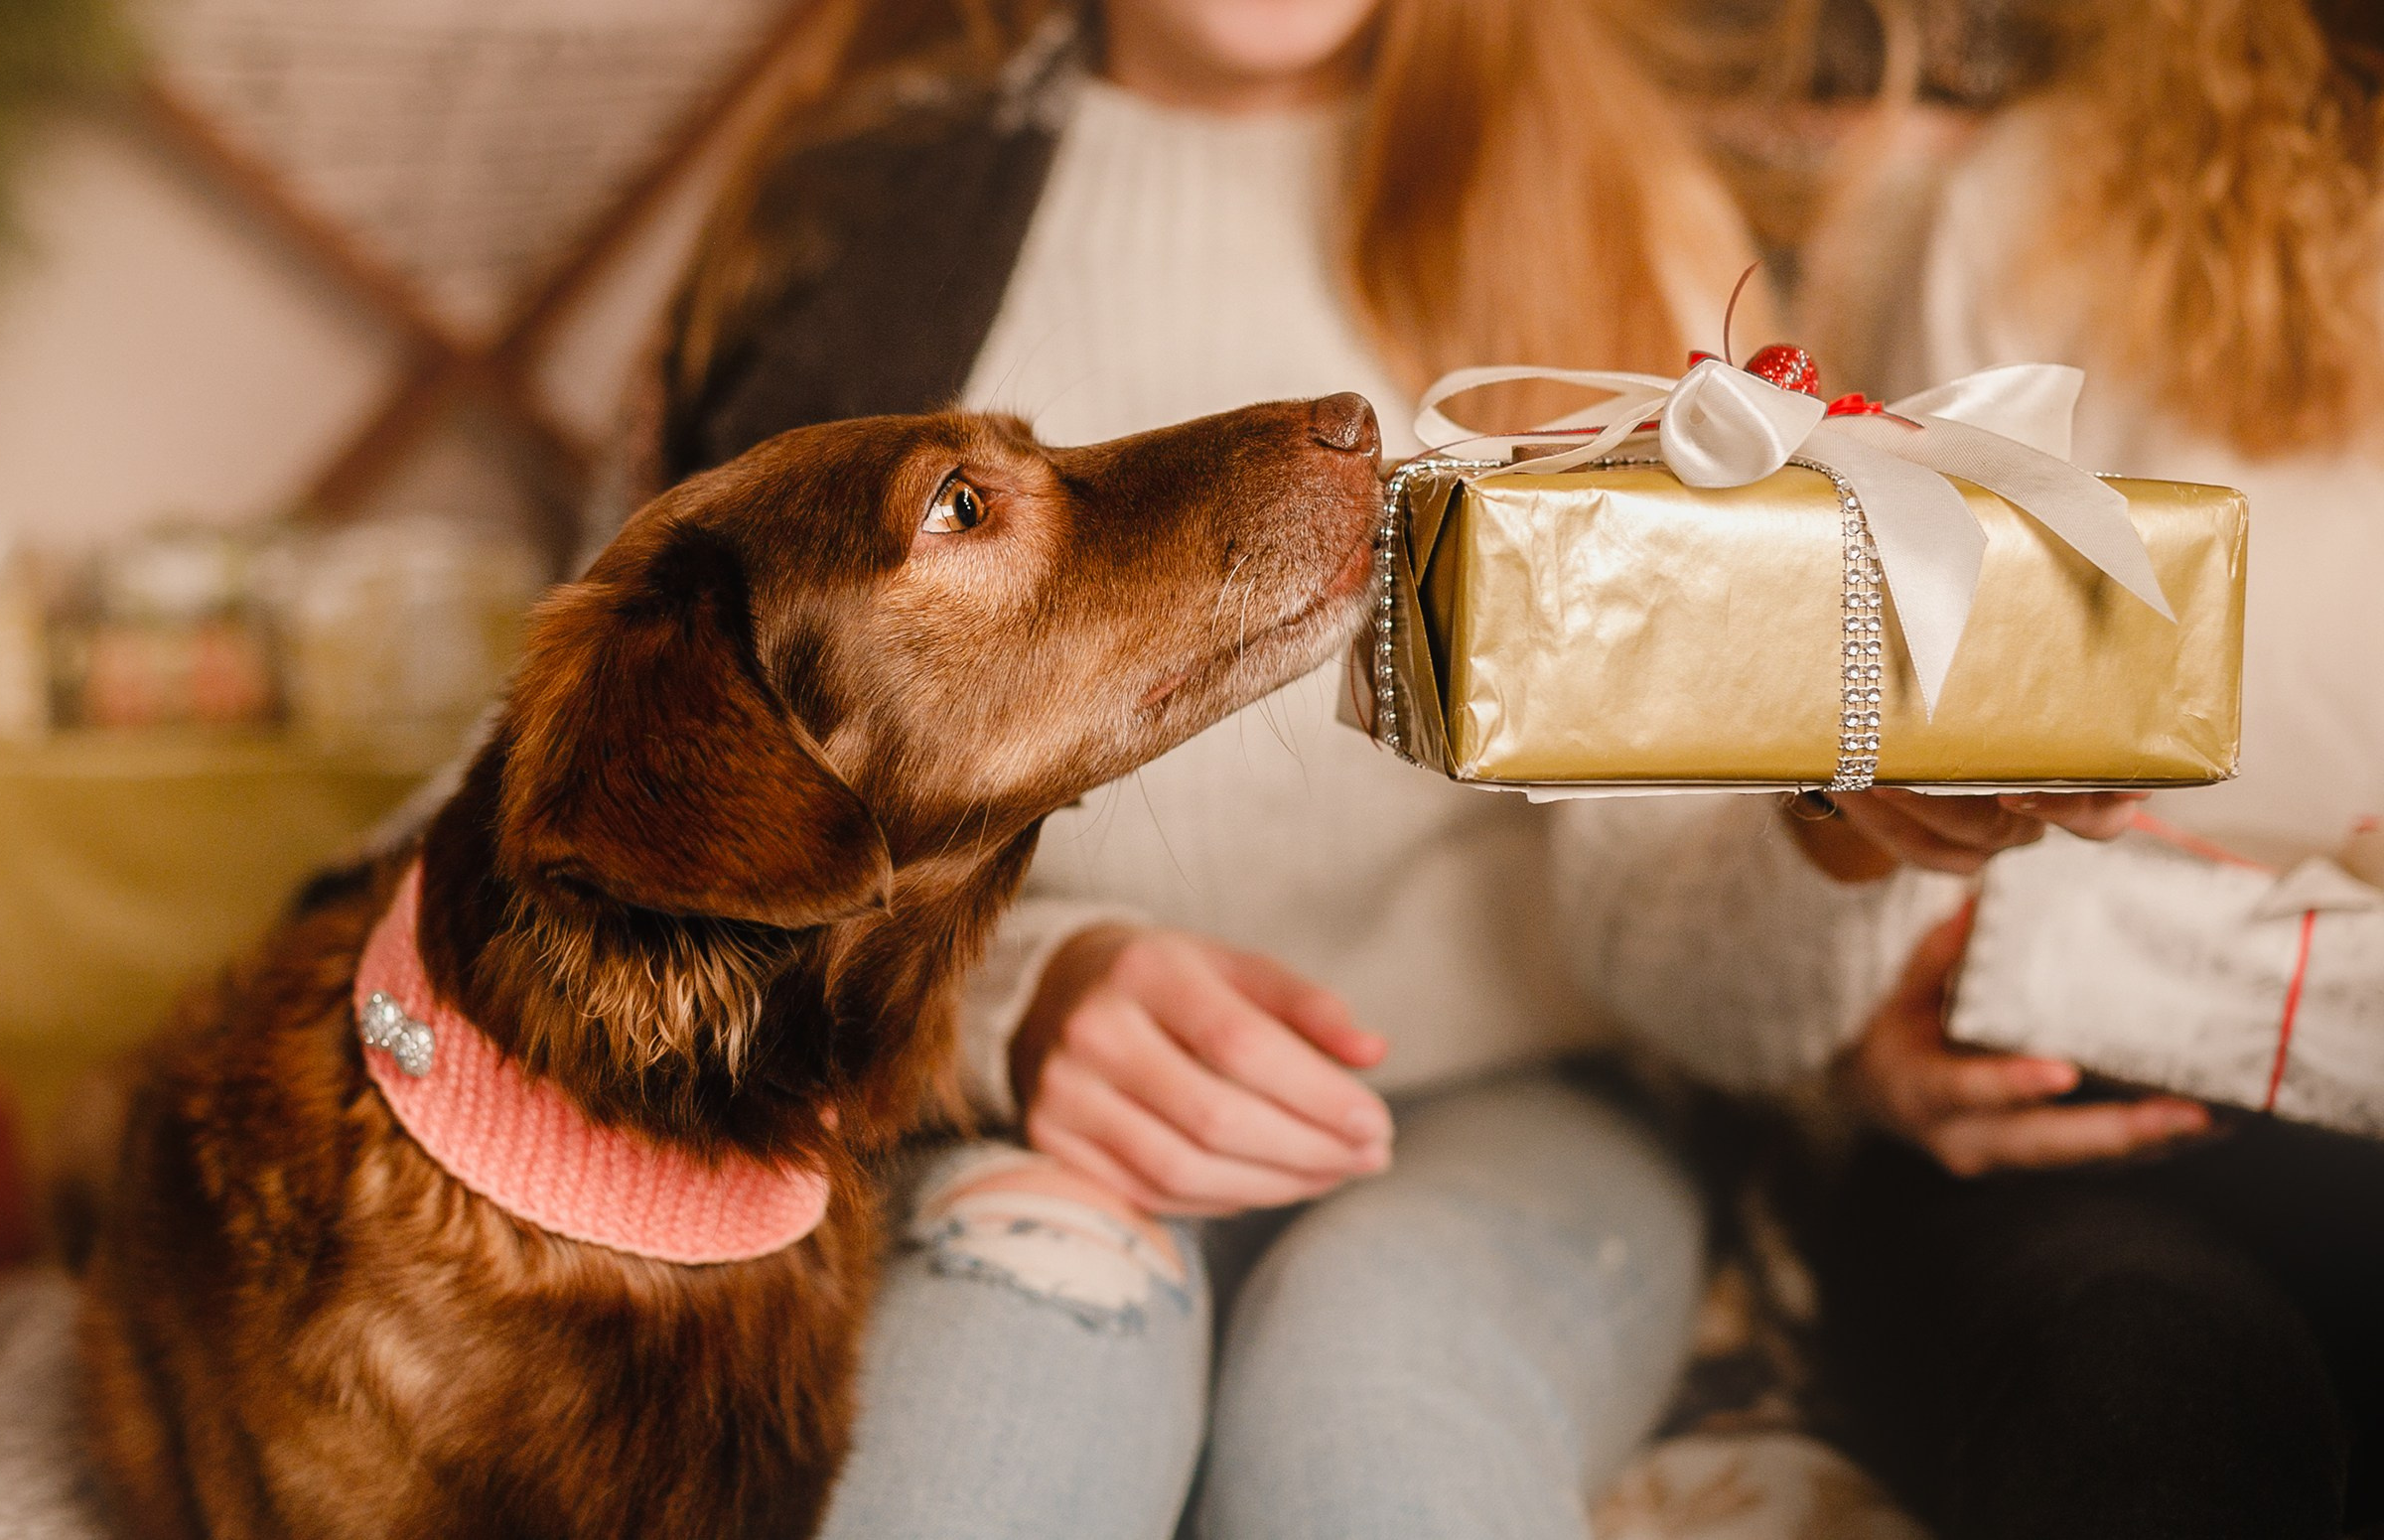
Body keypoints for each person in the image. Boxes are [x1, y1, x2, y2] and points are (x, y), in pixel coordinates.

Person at [640, 3, 1755, 1536]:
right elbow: (676, 767)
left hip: (1519, 1101)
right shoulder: (857, 205)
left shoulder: (1623, 213)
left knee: (1376, 1402)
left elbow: (1704, 862)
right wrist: (1010, 1000)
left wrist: (1858, 851)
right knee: (998, 1393)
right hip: (1004, 1109)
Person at [1573, 2, 2384, 1535]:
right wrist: (1865, 1042)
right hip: (2074, 1125)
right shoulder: (2038, 211)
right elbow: (1884, 741)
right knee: (2139, 1414)